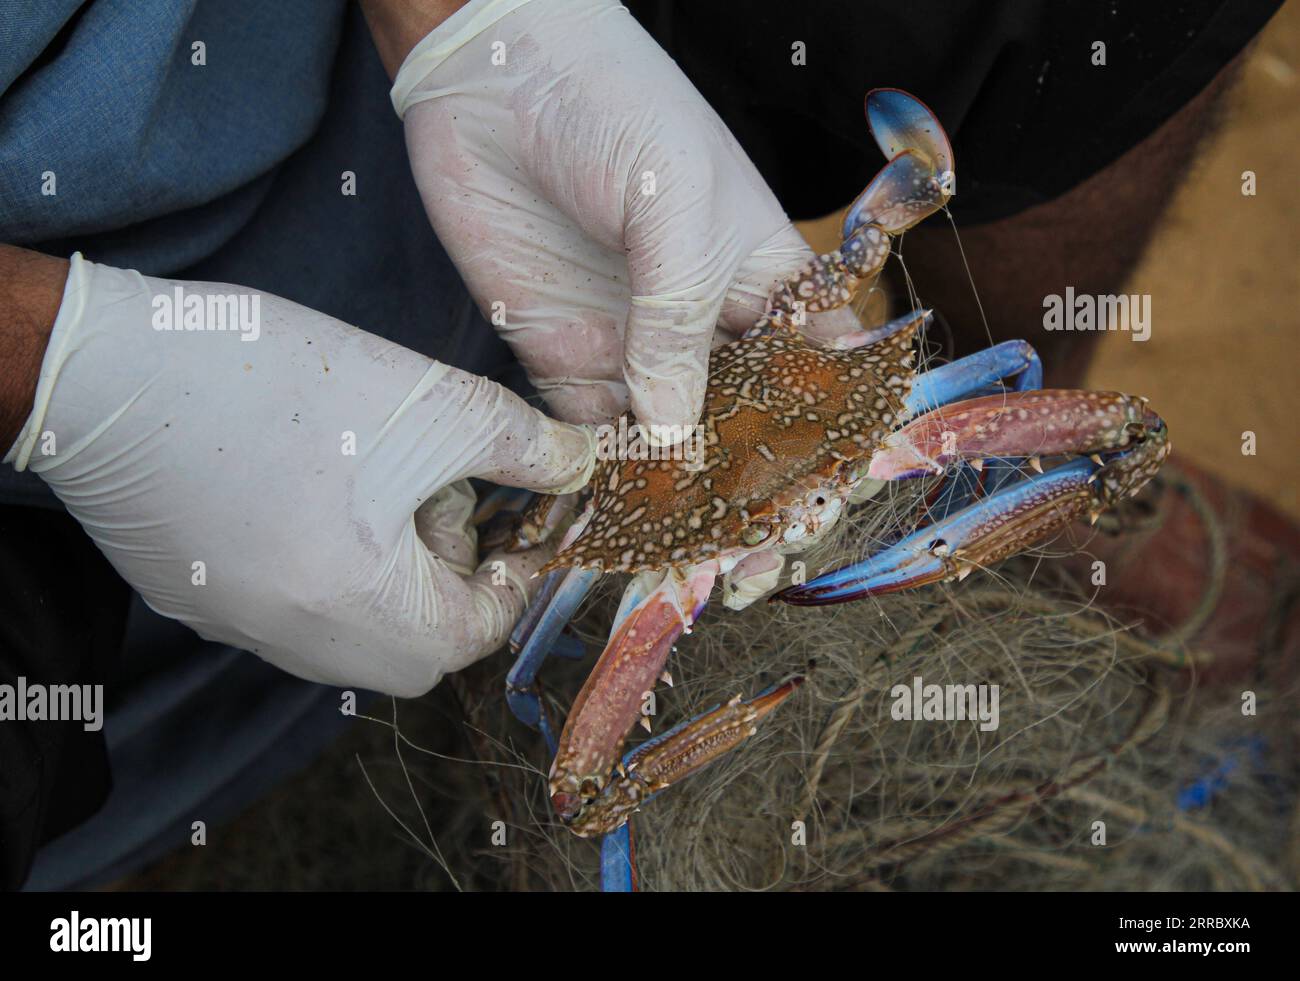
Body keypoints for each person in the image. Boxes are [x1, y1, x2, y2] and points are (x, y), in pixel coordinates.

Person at [0, 0, 1283, 889]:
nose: (794, 518)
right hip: (64, 403)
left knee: (1109, 405)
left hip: (380, 91)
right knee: (571, 781)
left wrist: (464, 25)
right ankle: (153, 824)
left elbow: (1060, 382)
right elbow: (580, 786)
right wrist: (66, 366)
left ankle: (1018, 530)